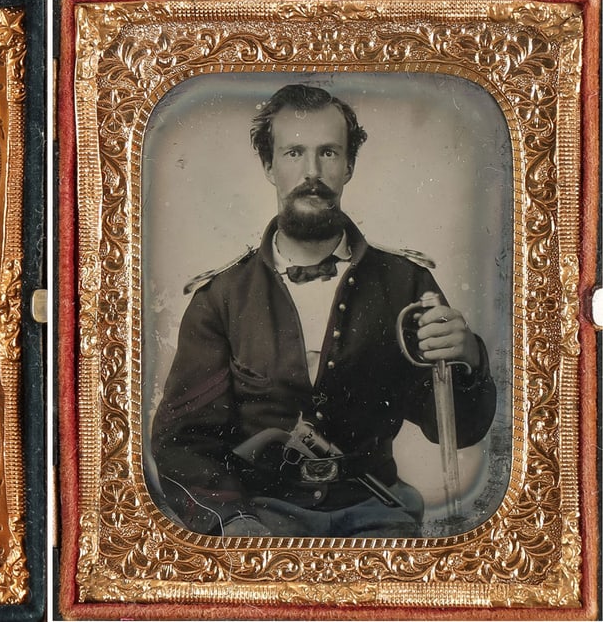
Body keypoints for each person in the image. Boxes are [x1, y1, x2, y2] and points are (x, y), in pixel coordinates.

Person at [150, 84, 497, 538]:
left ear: (349, 165)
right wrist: (233, 520)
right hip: (260, 519)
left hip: (380, 517)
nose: (311, 172)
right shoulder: (220, 296)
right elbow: (180, 444)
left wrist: (468, 357)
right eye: (294, 153)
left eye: (329, 153)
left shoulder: (406, 283)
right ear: (269, 165)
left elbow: (457, 431)